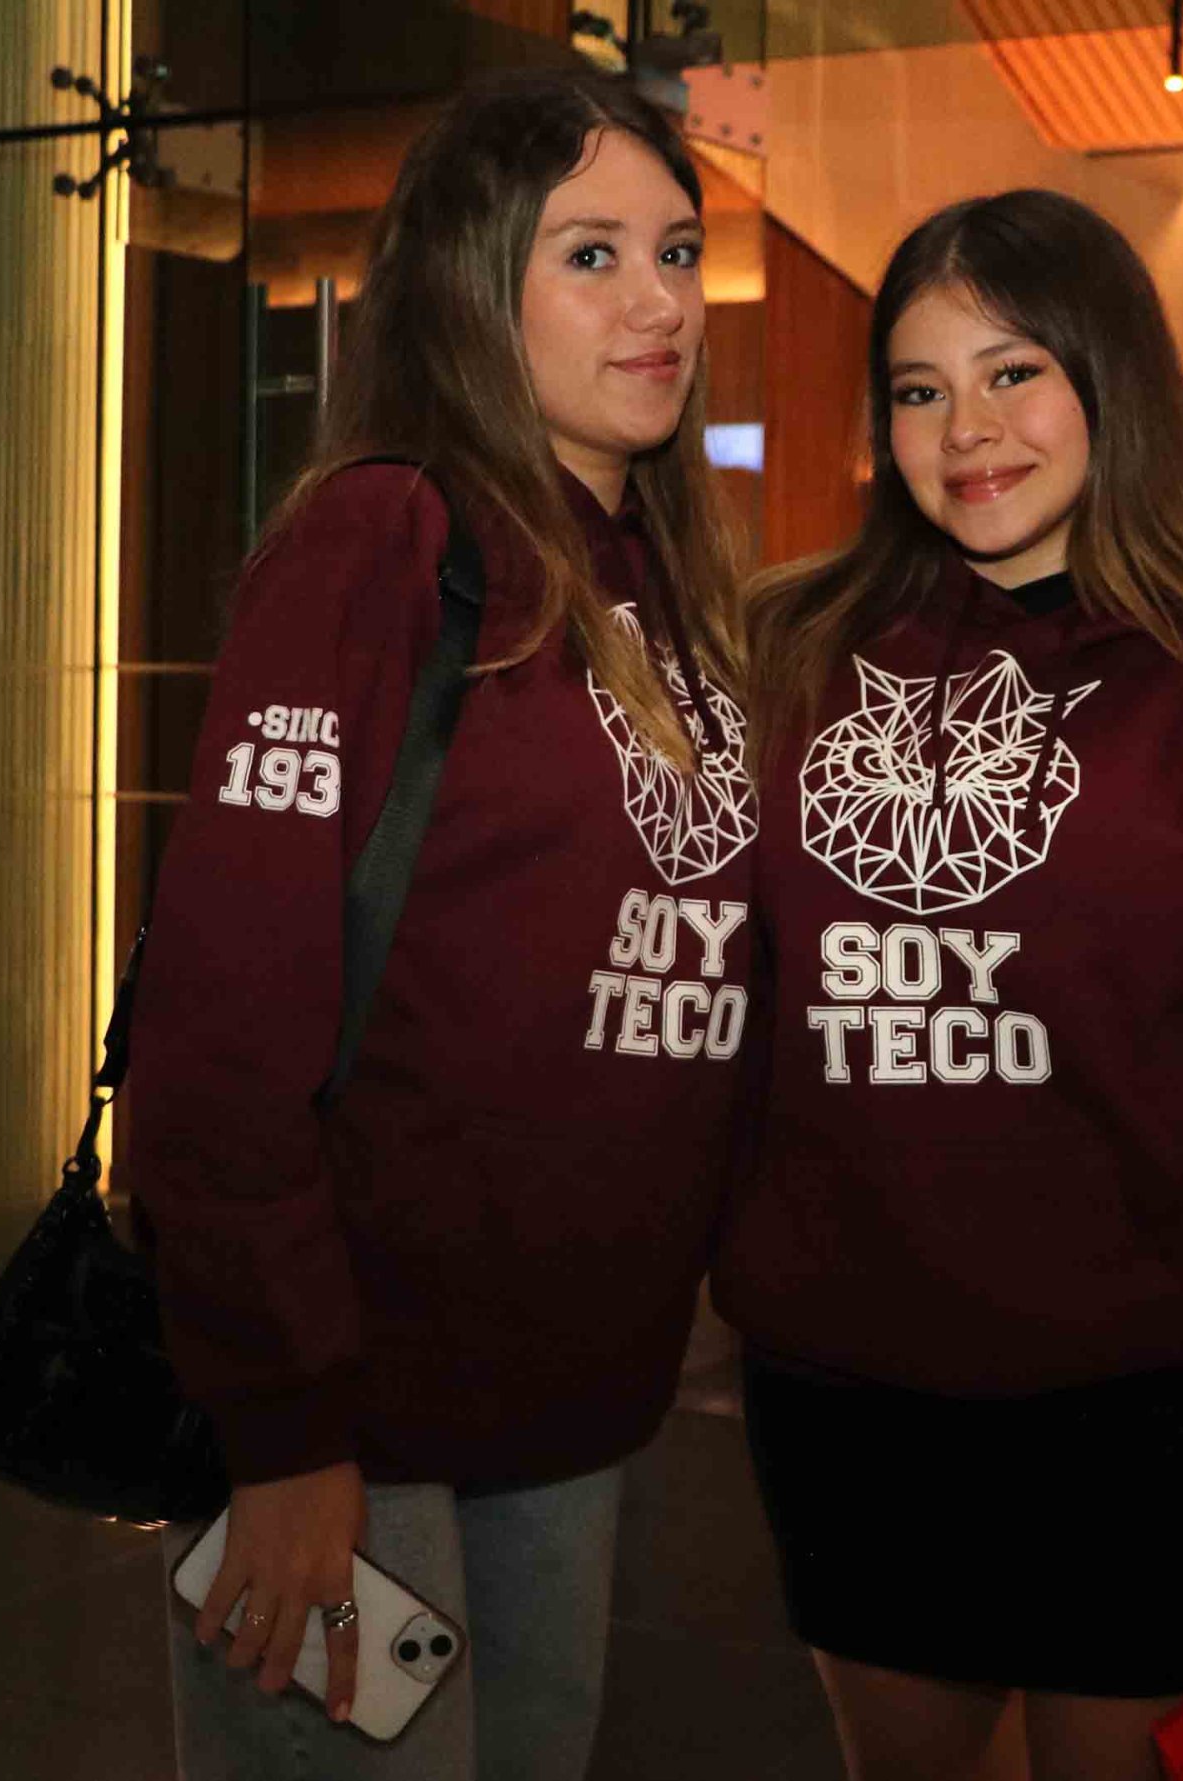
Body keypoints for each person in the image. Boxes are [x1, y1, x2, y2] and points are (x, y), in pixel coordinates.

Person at [131, 68, 756, 1781]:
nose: (659, 302)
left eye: (678, 250)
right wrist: (284, 1428)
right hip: (352, 1423)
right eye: (591, 254)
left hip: (569, 1411)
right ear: (475, 286)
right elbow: (222, 1021)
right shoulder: (385, 541)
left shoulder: (666, 588)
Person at [713, 190, 1183, 1781]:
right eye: (920, 387)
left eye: (1013, 371)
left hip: (1136, 1419)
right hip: (849, 1405)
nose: (966, 430)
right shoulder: (791, 650)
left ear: (1111, 376)